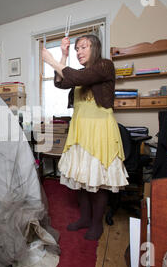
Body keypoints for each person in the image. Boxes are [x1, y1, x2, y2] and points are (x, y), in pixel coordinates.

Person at [41, 34, 128, 241]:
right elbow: (60, 83)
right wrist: (62, 55)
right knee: (81, 179)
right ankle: (85, 219)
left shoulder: (105, 66)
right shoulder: (80, 73)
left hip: (99, 131)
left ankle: (96, 225)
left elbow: (79, 79)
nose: (78, 52)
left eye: (83, 47)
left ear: (95, 48)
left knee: (97, 181)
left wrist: (50, 60)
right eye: (76, 49)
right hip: (80, 131)